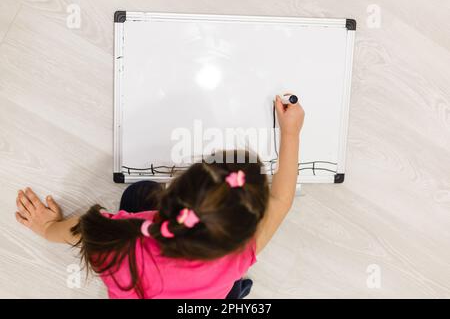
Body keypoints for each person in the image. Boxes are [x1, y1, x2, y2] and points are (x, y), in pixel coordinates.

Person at [15, 95, 305, 298]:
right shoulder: (237, 256)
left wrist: (46, 226)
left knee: (137, 193)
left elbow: (75, 232)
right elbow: (281, 201)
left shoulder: (118, 241)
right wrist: (290, 133)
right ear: (240, 234)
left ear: (177, 187)